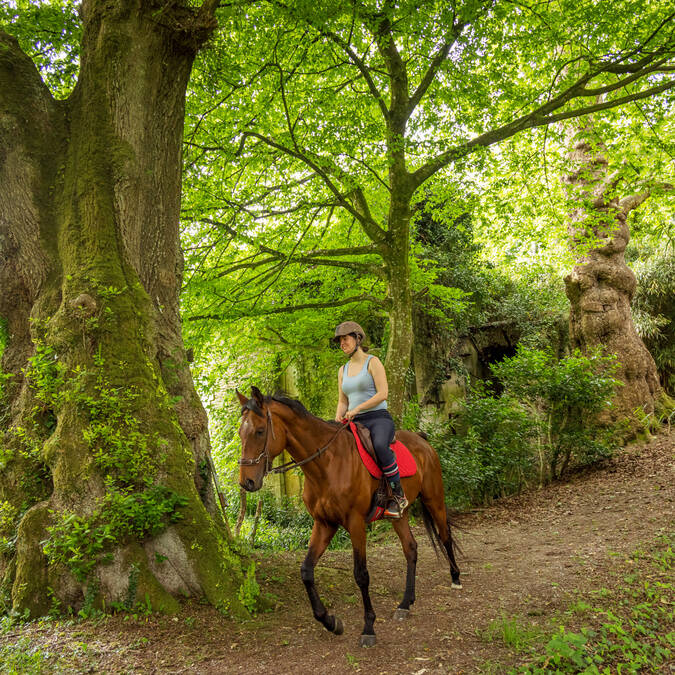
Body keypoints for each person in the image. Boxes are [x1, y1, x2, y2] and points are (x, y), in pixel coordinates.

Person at [333, 321, 408, 519]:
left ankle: (398, 495)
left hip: (377, 418)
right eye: (340, 340)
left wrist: (357, 408)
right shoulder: (342, 370)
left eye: (345, 338)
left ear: (358, 338)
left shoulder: (372, 362)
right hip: (353, 421)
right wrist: (337, 416)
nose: (342, 343)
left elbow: (383, 393)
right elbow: (342, 401)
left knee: (380, 446)